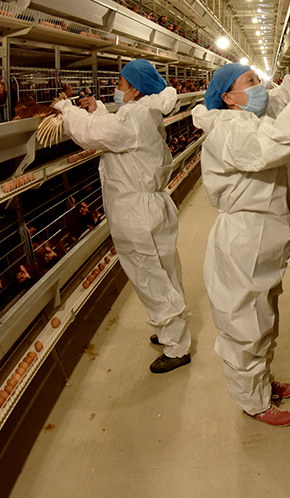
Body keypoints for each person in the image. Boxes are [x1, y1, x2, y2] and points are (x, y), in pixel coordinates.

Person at [192, 53, 290, 426]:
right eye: (250, 83)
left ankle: (261, 383)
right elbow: (278, 141)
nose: (260, 88)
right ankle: (253, 401)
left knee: (262, 316)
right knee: (246, 325)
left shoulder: (249, 114)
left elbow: (281, 96)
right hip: (245, 240)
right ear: (228, 97)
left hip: (261, 238)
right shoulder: (229, 128)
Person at [53, 59, 193, 374]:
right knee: (165, 272)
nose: (116, 88)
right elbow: (115, 130)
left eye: (119, 83)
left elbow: (92, 134)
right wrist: (98, 107)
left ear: (133, 89)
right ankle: (173, 331)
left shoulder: (134, 118)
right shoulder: (143, 113)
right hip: (152, 206)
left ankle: (176, 347)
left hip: (135, 212)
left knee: (148, 278)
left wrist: (67, 109)